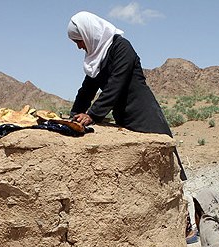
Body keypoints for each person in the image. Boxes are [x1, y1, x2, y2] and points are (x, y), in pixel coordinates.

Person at [67, 11, 186, 180]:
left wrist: (92, 115)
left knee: (167, 171)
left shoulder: (121, 47)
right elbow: (86, 90)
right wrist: (73, 115)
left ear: (89, 34)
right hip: (124, 119)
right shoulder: (98, 59)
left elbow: (117, 84)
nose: (79, 46)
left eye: (79, 41)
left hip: (145, 116)